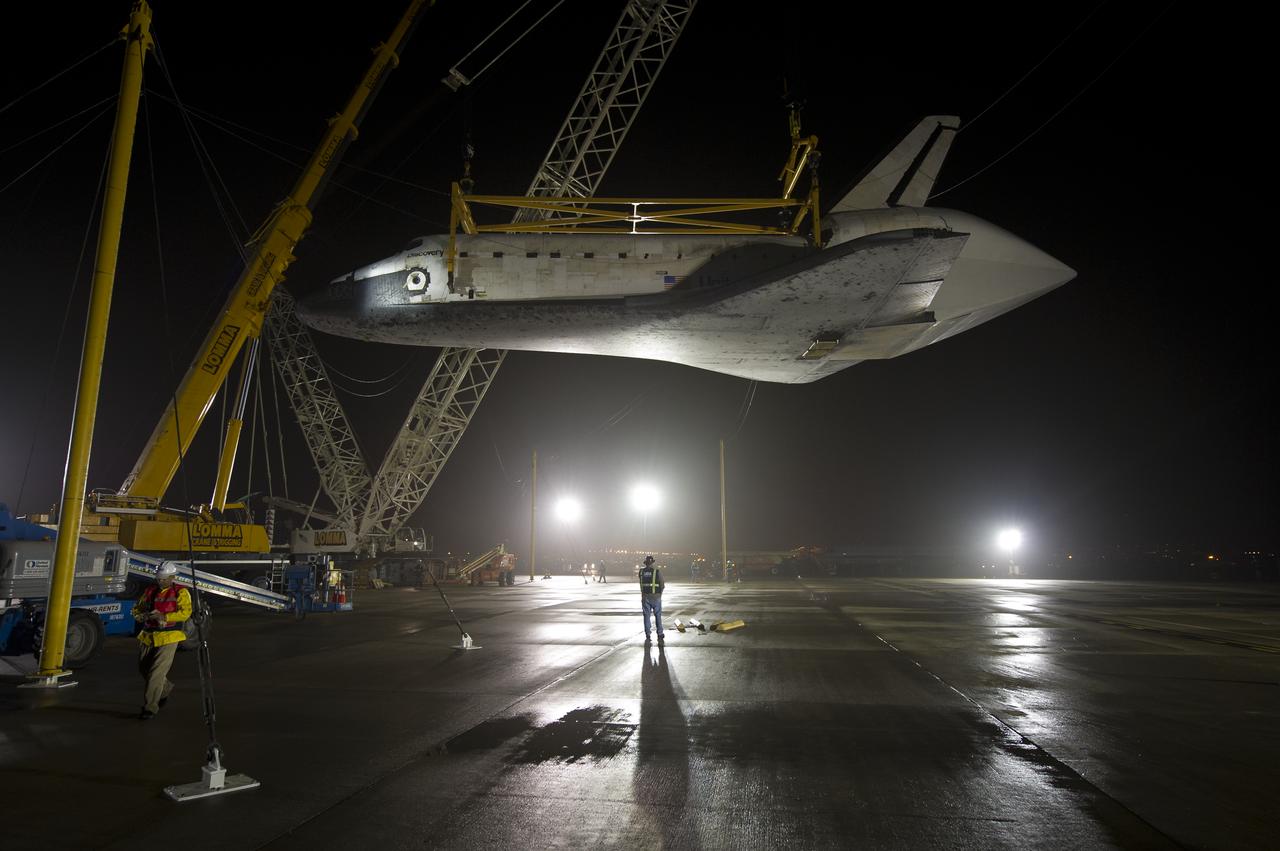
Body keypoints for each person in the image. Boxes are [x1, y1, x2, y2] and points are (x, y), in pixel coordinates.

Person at [131, 562, 192, 720]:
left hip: (169, 636)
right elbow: (137, 609)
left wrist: (164, 617)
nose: (161, 581)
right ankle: (165, 689)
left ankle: (150, 707)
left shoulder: (181, 592)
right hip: (149, 635)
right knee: (144, 669)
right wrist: (143, 615)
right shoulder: (150, 591)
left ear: (172, 577)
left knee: (156, 673)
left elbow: (185, 613)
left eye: (164, 579)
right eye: (159, 578)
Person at [638, 555, 665, 644]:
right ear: (652, 562)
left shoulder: (641, 572)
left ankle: (648, 634)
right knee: (658, 615)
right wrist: (659, 594)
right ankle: (660, 633)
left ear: (646, 563)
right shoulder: (657, 571)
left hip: (645, 596)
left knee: (646, 616)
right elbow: (662, 585)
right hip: (656, 597)